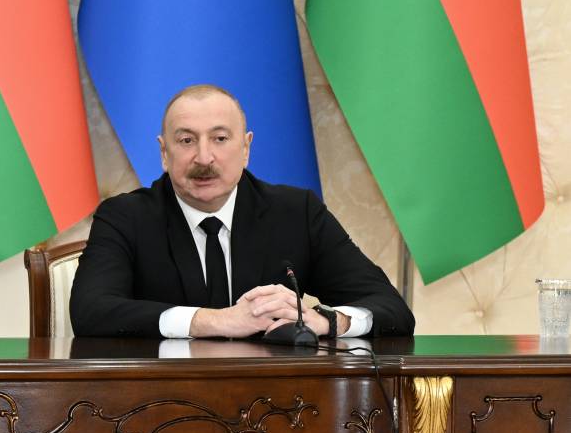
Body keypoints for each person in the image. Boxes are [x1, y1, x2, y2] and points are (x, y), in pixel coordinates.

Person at [70, 84, 414, 339]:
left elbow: (391, 308)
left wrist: (326, 320)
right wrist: (216, 320)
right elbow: (90, 311)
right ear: (164, 153)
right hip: (162, 399)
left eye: (220, 139)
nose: (204, 158)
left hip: (277, 401)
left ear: (246, 147)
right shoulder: (125, 217)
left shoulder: (296, 212)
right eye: (187, 140)